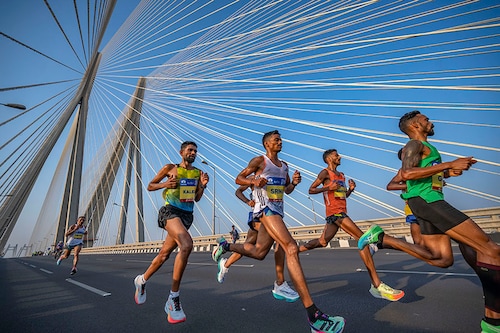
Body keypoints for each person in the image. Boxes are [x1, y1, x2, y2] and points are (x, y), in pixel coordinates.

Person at [359, 110, 500, 332]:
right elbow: (406, 175)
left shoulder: (427, 148)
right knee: (490, 250)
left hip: (427, 201)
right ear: (415, 125)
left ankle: (383, 238)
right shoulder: (414, 145)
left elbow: (425, 174)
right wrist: (447, 165)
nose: (431, 122)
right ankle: (493, 323)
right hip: (428, 203)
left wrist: (449, 173)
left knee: (442, 259)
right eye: (426, 120)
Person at [212, 130, 345, 333]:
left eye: (281, 139)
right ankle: (313, 315)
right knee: (290, 246)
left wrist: (294, 183)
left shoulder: (284, 166)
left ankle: (226, 246)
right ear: (267, 144)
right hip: (264, 208)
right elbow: (239, 179)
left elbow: (286, 190)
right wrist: (253, 182)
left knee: (259, 252)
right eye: (276, 140)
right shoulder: (260, 161)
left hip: (277, 210)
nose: (280, 142)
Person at [299, 149, 404, 301]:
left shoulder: (341, 175)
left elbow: (341, 195)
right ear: (329, 158)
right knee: (363, 240)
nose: (339, 156)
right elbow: (311, 189)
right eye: (336, 155)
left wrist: (350, 191)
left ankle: (295, 250)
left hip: (340, 211)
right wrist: (328, 187)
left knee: (322, 242)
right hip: (335, 213)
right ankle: (377, 285)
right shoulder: (325, 173)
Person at [133, 141, 209, 324]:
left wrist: (203, 186)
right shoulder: (170, 168)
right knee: (187, 244)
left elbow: (196, 199)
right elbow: (151, 186)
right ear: (181, 152)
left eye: (195, 151)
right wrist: (166, 183)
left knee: (163, 255)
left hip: (186, 216)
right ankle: (173, 298)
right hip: (170, 212)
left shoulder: (198, 173)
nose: (193, 153)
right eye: (190, 150)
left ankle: (141, 280)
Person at [217, 179, 299, 303]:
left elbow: (287, 190)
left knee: (248, 247)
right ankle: (280, 283)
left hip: (270, 214)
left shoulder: (277, 171)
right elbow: (238, 191)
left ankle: (225, 264)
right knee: (278, 243)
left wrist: (293, 183)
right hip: (261, 216)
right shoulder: (255, 176)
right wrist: (247, 201)